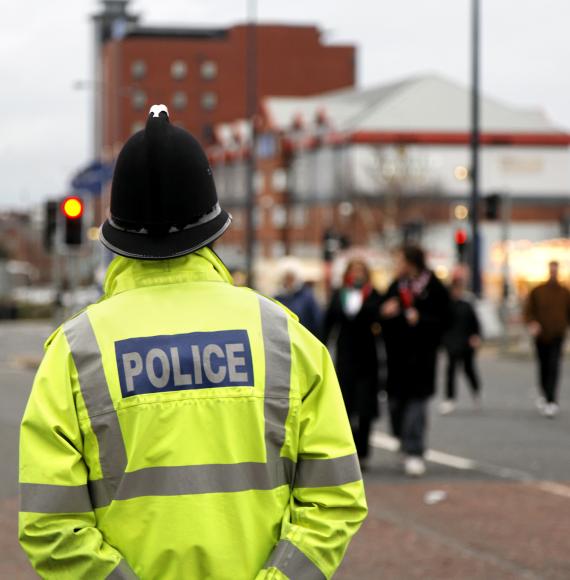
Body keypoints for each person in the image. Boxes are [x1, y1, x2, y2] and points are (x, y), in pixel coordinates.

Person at [19, 105, 367, 579]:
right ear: (214, 225)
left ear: (116, 232)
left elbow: (51, 525)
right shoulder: (283, 337)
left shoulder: (77, 351)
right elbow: (336, 498)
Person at [380, 245, 450, 477]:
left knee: (416, 405)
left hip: (422, 357)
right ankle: (403, 440)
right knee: (395, 405)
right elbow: (380, 318)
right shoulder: (395, 287)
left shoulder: (434, 287)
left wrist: (422, 319)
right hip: (397, 358)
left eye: (400, 261)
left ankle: (415, 450)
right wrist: (386, 313)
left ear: (412, 263)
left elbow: (445, 319)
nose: (397, 265)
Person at [322, 259, 382, 468]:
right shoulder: (340, 294)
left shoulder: (373, 294)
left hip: (367, 355)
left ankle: (364, 452)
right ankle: (349, 451)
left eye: (361, 271)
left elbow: (380, 319)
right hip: (346, 355)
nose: (357, 274)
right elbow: (329, 323)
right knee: (345, 406)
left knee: (365, 408)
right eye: (354, 270)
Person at [524, 260, 570, 418]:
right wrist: (533, 323)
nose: (553, 274)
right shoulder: (538, 291)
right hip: (541, 335)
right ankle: (545, 393)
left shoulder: (564, 292)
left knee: (554, 366)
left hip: (557, 334)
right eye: (551, 271)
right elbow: (528, 311)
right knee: (543, 366)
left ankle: (552, 399)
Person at [440, 278, 483, 415]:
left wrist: (475, 336)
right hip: (452, 343)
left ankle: (476, 392)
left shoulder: (466, 305)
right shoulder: (445, 306)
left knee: (469, 369)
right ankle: (449, 399)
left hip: (466, 342)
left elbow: (475, 323)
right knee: (450, 371)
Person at [274, 256, 322, 336]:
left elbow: (316, 322)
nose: (288, 281)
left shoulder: (307, 297)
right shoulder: (278, 298)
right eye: (286, 278)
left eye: (291, 278)